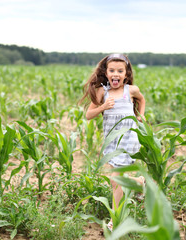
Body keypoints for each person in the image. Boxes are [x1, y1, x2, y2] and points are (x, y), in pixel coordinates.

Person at [79, 53, 146, 231]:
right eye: (112, 70)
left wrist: (141, 114)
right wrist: (103, 107)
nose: (116, 74)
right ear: (106, 73)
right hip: (111, 141)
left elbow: (141, 99)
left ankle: (115, 220)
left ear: (126, 73)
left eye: (120, 70)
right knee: (116, 181)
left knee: (116, 180)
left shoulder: (130, 90)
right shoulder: (103, 92)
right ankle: (139, 182)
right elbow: (88, 115)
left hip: (128, 139)